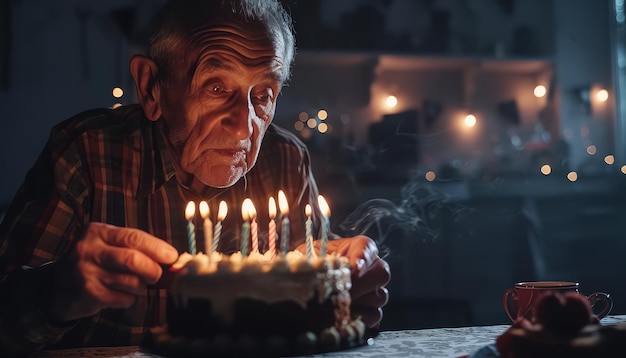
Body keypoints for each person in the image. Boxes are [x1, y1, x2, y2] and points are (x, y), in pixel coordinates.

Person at [0, 0, 390, 355]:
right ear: (152, 88)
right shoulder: (88, 153)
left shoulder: (285, 159)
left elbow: (317, 282)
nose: (244, 127)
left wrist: (347, 284)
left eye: (263, 94)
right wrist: (56, 292)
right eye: (217, 87)